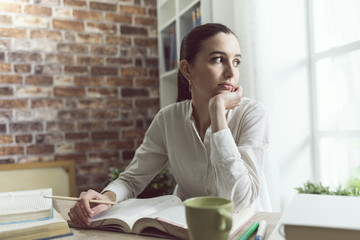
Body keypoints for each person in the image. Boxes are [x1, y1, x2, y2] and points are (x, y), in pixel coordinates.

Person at [68, 23, 271, 227]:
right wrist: (105, 198)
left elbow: (240, 202)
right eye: (218, 59)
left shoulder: (252, 114)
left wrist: (218, 112)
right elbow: (131, 180)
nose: (230, 72)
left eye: (236, 62)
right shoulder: (168, 119)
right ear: (186, 69)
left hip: (244, 230)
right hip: (187, 229)